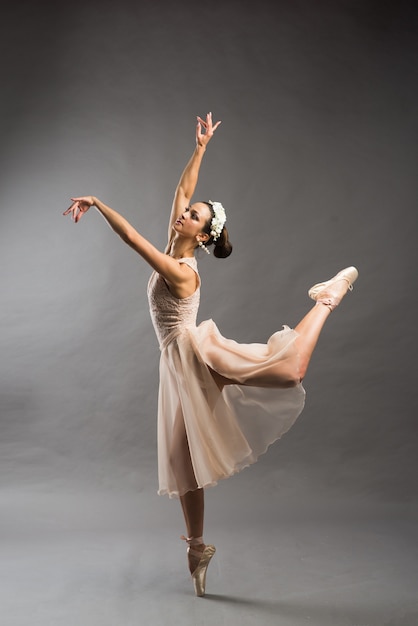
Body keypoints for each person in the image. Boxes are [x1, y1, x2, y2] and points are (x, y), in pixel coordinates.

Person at [63, 112, 358, 597]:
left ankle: (328, 296)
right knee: (184, 463)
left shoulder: (183, 269)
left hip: (196, 354)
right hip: (176, 365)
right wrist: (200, 148)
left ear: (202, 236)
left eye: (195, 216)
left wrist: (97, 202)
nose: (185, 212)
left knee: (290, 371)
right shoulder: (176, 237)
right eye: (189, 211)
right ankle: (197, 546)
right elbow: (182, 190)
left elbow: (131, 239)